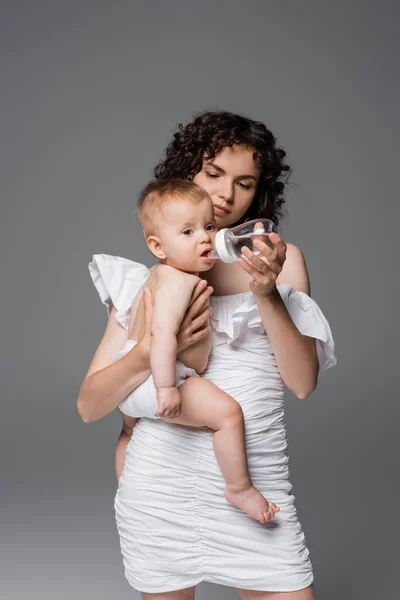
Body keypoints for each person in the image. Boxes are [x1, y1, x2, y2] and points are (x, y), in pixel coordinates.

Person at [77, 110, 337, 599]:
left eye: (244, 182)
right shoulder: (149, 278)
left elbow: (302, 384)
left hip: (252, 482)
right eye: (213, 173)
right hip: (160, 486)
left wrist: (267, 293)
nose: (224, 194)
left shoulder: (281, 262)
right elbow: (90, 406)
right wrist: (152, 350)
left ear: (258, 193)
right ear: (186, 173)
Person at [114, 178, 280, 524]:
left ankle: (128, 493)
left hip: (137, 380)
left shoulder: (161, 274)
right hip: (159, 375)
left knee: (129, 432)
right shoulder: (179, 280)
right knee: (228, 415)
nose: (205, 236)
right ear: (158, 247)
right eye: (187, 232)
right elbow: (161, 335)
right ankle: (239, 487)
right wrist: (166, 387)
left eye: (207, 226)